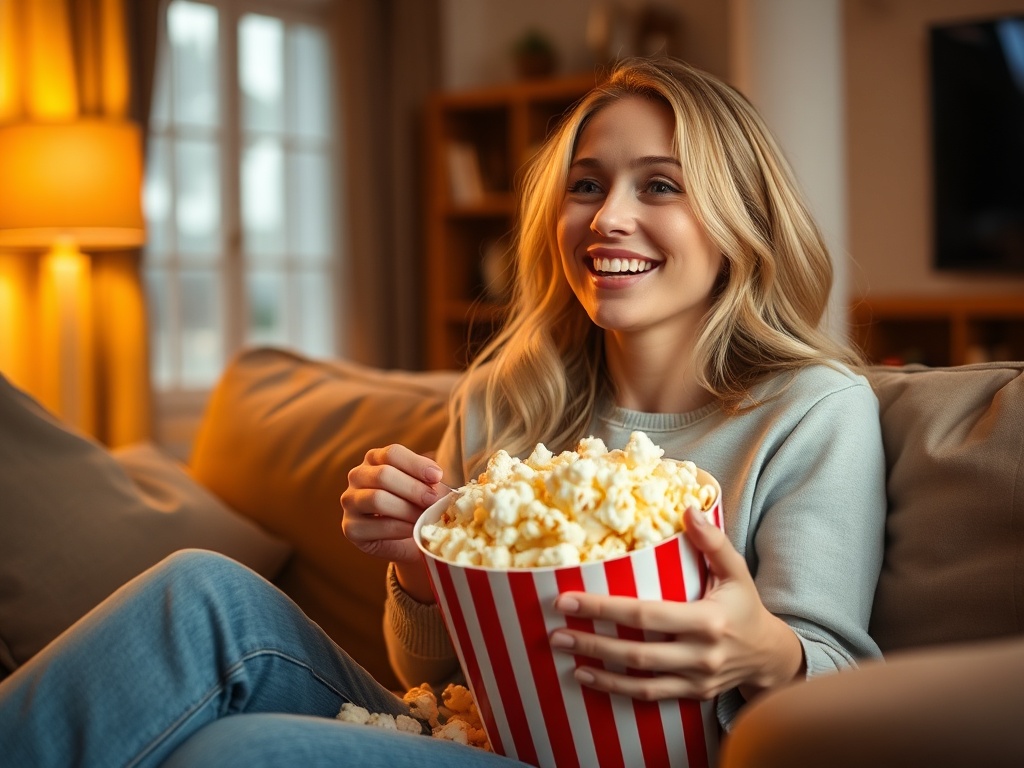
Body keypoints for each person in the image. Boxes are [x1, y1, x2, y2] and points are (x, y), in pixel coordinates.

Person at [0, 57, 885, 767]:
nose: (609, 218)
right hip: (471, 737)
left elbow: (843, 680)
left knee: (243, 750)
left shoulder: (810, 411)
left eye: (660, 186)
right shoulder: (510, 397)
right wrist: (420, 567)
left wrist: (767, 650)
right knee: (199, 588)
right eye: (586, 186)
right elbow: (424, 675)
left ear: (739, 219)